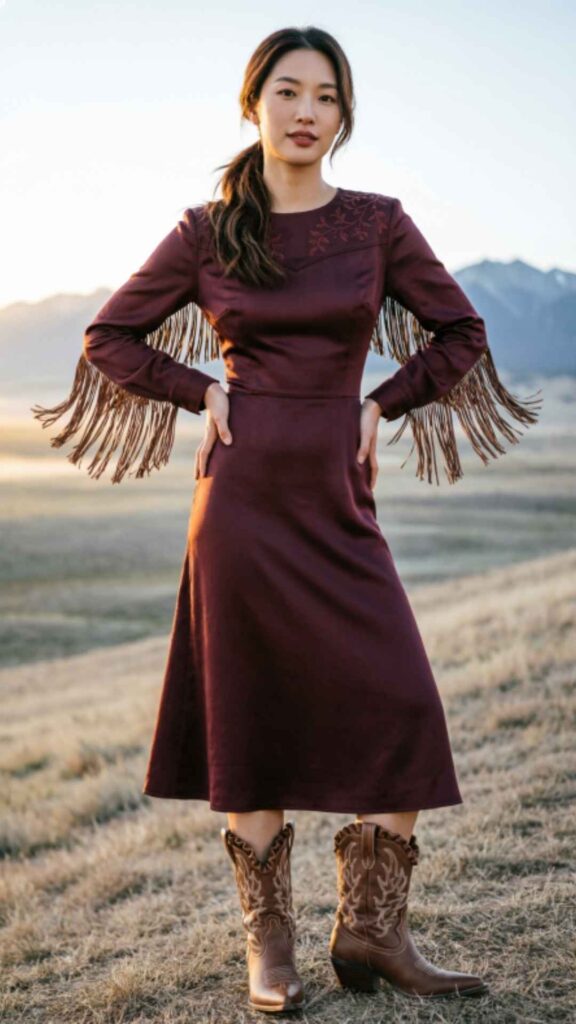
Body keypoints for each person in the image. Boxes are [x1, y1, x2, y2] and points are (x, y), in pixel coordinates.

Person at [31, 24, 541, 1016]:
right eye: (289, 92)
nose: (308, 111)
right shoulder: (205, 232)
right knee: (248, 714)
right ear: (253, 104)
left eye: (327, 97)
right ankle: (269, 950)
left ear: (343, 116)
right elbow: (109, 336)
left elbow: (462, 333)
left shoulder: (379, 225)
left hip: (338, 498)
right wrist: (193, 389)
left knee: (400, 700)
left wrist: (381, 405)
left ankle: (373, 932)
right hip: (241, 501)